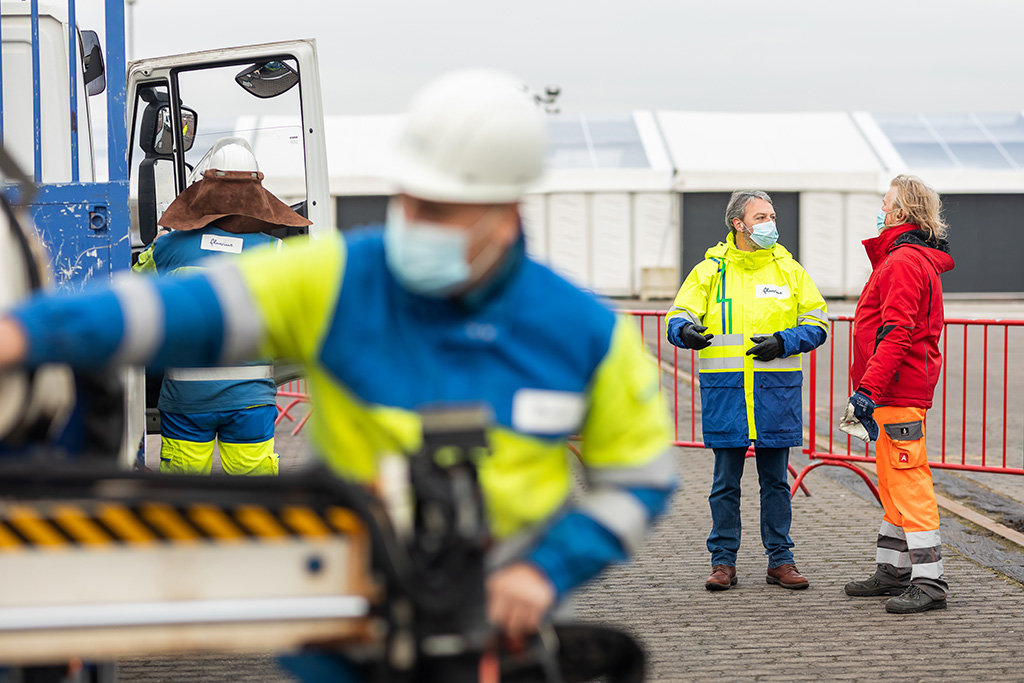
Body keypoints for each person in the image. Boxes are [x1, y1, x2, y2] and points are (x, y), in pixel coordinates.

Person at [0, 69, 676, 638]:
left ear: (506, 211)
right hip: (355, 632)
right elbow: (172, 309)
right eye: (410, 201)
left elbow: (640, 477)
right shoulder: (341, 280)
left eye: (442, 210)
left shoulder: (582, 330)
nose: (416, 222)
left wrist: (545, 570)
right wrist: (26, 332)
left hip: (505, 631)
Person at [665, 190, 827, 591]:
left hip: (774, 394)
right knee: (725, 485)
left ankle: (781, 561)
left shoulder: (789, 270)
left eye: (771, 215)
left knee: (775, 484)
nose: (771, 223)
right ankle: (723, 563)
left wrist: (784, 342)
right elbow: (679, 315)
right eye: (762, 216)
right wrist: (684, 331)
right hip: (728, 394)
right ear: (739, 224)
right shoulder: (709, 271)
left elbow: (818, 322)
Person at [133, 137, 310, 476]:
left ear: (204, 192)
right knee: (256, 496)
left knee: (185, 495)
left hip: (186, 401)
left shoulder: (167, 248)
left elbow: (136, 291)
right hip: (251, 402)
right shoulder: (276, 253)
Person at [840, 174, 953, 614]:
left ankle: (930, 581)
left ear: (901, 213)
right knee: (893, 482)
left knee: (908, 482)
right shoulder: (905, 259)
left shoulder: (902, 262)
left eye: (886, 204)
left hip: (896, 391)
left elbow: (897, 332)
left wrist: (869, 388)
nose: (881, 211)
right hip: (895, 391)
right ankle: (894, 569)